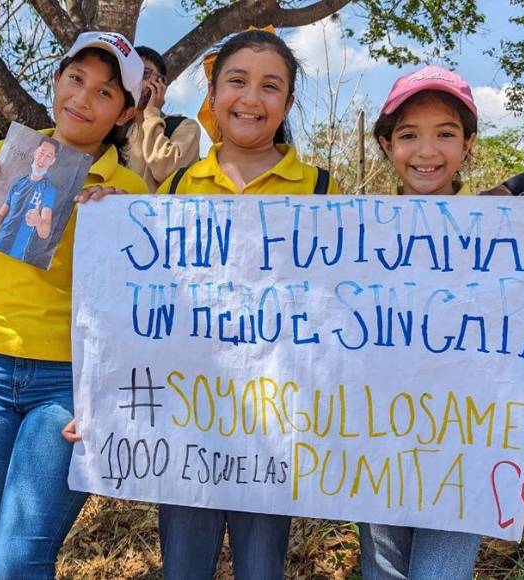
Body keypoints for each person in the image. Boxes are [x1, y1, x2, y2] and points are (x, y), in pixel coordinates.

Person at [362, 65, 524, 580]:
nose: (427, 151)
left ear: (468, 144)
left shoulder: (505, 237)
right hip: (371, 439)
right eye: (408, 135)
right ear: (386, 145)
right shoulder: (353, 231)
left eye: (445, 134)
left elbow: (522, 329)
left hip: (462, 448)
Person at [0, 31, 146, 578]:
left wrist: (124, 228)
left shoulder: (128, 193)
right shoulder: (6, 159)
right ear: (56, 82)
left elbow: (138, 313)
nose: (83, 98)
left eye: (106, 93)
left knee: (17, 557)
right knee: (1, 547)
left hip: (66, 384)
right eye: (76, 79)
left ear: (126, 114)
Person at [150, 29, 338, 580]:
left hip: (275, 427)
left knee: (261, 569)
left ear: (288, 103)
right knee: (182, 569)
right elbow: (133, 311)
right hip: (187, 427)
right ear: (212, 93)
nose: (251, 99)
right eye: (236, 81)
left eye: (270, 86)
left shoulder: (324, 192)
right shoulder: (177, 187)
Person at [124, 46, 201, 191]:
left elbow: (166, 171)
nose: (137, 82)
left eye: (145, 74)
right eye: (131, 76)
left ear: (162, 81)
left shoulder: (185, 127)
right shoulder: (112, 127)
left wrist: (152, 113)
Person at [0, 138, 60, 258]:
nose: (42, 159)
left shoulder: (48, 189)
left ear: (52, 161)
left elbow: (44, 233)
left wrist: (38, 221)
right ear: (35, 152)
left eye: (48, 156)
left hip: (15, 255)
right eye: (41, 153)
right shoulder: (18, 183)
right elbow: (0, 215)